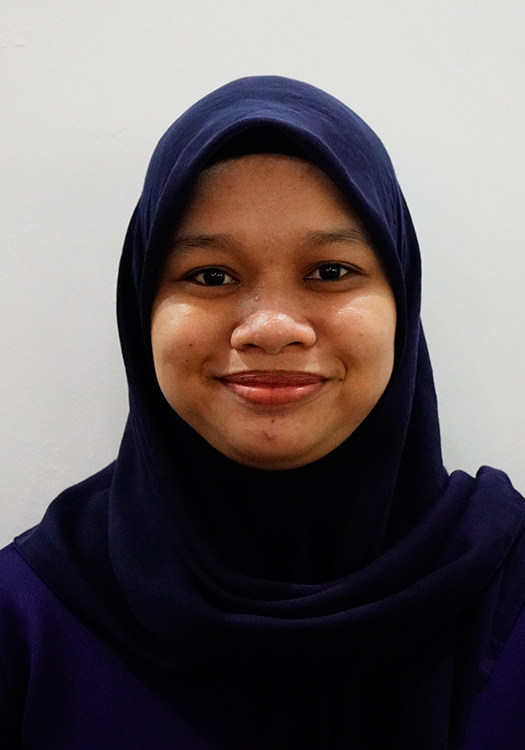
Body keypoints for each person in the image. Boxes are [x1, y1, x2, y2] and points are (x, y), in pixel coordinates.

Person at [1, 76, 525, 750]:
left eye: (329, 271)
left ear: (401, 299)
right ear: (141, 307)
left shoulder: (507, 591)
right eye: (211, 276)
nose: (271, 329)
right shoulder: (27, 623)